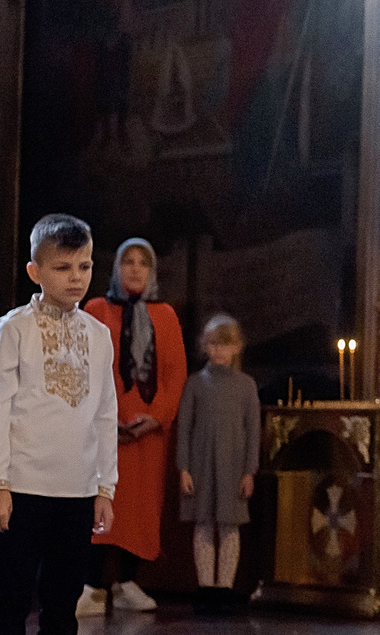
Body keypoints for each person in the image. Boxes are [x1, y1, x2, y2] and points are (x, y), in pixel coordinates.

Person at [0, 214, 119, 635]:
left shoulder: (98, 334)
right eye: (63, 267)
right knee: (11, 599)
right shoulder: (13, 328)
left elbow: (106, 412)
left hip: (78, 489)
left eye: (84, 265)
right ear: (36, 270)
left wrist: (105, 485)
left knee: (64, 601)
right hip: (24, 488)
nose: (76, 277)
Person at [79, 239, 182, 615]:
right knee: (99, 501)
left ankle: (126, 583)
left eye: (143, 262)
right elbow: (86, 368)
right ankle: (91, 588)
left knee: (138, 508)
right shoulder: (95, 310)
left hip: (147, 435)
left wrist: (155, 417)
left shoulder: (165, 315)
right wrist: (107, 418)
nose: (136, 269)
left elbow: (174, 374)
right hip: (103, 427)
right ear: (116, 268)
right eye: (128, 261)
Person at [176, 312, 260, 596]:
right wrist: (184, 468)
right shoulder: (195, 384)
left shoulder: (246, 386)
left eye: (224, 344)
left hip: (233, 467)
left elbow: (253, 432)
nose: (218, 350)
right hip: (201, 465)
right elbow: (185, 428)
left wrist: (249, 471)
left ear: (236, 347)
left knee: (229, 526)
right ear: (204, 346)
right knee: (203, 525)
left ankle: (224, 588)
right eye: (212, 344)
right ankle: (206, 588)